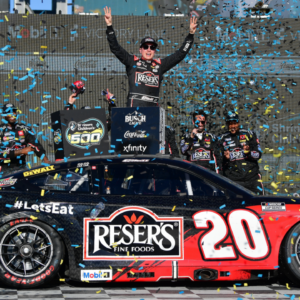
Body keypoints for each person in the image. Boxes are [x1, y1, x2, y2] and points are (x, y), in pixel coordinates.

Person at [104, 6, 197, 107]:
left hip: (152, 114)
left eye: (152, 47)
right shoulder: (132, 61)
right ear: (140, 49)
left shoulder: (160, 65)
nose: (149, 49)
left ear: (155, 51)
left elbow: (180, 54)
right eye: (145, 46)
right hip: (134, 112)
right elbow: (115, 48)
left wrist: (191, 35)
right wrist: (109, 26)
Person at [66, 86, 180, 157]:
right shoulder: (75, 128)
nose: (87, 117)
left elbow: (112, 119)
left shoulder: (99, 127)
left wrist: (112, 102)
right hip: (77, 159)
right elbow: (66, 122)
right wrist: (69, 104)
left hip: (95, 160)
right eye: (84, 115)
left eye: (89, 114)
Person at [218, 112, 264, 195]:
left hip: (252, 180)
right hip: (233, 181)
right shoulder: (222, 138)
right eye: (230, 124)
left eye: (234, 123)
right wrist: (225, 158)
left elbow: (258, 154)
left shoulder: (249, 134)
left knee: (259, 204)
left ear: (238, 123)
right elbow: (219, 161)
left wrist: (248, 153)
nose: (232, 126)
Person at [0, 103, 50, 176]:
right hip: (3, 170)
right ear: (4, 115)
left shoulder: (24, 129)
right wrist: (21, 151)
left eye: (14, 111)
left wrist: (46, 160)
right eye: (9, 112)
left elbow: (36, 145)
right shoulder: (1, 130)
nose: (12, 114)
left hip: (21, 168)